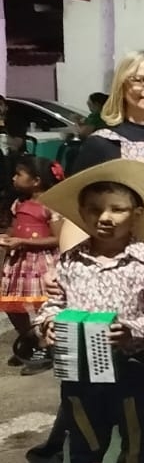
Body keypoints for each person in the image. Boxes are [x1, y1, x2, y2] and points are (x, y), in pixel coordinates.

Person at [35, 160, 144, 463]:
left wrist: (133, 330)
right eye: (93, 210)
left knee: (139, 441)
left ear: (136, 213)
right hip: (80, 370)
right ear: (81, 214)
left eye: (116, 209)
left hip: (134, 368)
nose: (104, 218)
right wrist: (48, 325)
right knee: (84, 441)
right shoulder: (69, 262)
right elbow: (52, 305)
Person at [1, 155, 64, 373]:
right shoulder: (18, 204)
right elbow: (15, 229)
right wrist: (8, 238)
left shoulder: (51, 205)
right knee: (12, 305)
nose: (13, 178)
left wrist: (24, 242)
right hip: (19, 263)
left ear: (36, 180)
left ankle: (44, 347)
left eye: (19, 174)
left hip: (42, 263)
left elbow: (58, 238)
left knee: (42, 306)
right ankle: (28, 339)